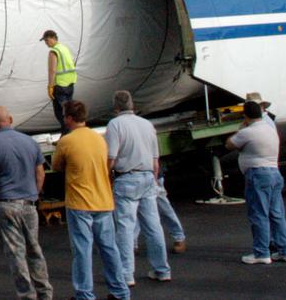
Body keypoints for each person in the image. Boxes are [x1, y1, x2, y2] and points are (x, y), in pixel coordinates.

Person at [52, 100, 128, 300]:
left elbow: (57, 165)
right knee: (109, 248)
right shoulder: (99, 139)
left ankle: (85, 294)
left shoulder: (67, 141)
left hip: (80, 202)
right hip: (103, 199)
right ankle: (120, 291)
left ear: (69, 118)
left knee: (82, 250)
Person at [0, 106, 52, 300]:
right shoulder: (30, 142)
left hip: (6, 202)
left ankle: (27, 295)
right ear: (10, 119)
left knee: (16, 252)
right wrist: (34, 193)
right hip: (28, 203)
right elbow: (40, 173)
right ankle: (45, 292)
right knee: (34, 249)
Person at [104, 90, 171, 285]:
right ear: (132, 105)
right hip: (148, 176)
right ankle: (162, 269)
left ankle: (126, 274)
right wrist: (153, 177)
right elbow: (156, 160)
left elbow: (112, 157)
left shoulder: (115, 124)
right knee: (153, 226)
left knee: (125, 227)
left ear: (116, 107)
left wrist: (106, 177)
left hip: (126, 178)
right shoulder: (147, 124)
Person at [225, 97, 286, 265]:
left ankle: (261, 252)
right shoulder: (270, 129)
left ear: (245, 116)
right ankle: (285, 250)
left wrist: (241, 128)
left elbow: (229, 144)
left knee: (259, 214)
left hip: (258, 174)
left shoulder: (248, 131)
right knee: (277, 214)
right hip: (274, 172)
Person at [40, 30, 77, 136]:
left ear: (53, 38)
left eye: (47, 40)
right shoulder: (64, 48)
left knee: (61, 113)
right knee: (69, 111)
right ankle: (66, 134)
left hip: (60, 86)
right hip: (70, 84)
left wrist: (50, 86)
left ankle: (67, 136)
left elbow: (52, 70)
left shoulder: (54, 51)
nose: (46, 43)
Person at [155, 168, 187, 253]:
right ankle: (133, 243)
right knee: (134, 213)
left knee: (164, 209)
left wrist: (155, 177)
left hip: (151, 175)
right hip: (128, 175)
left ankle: (179, 237)